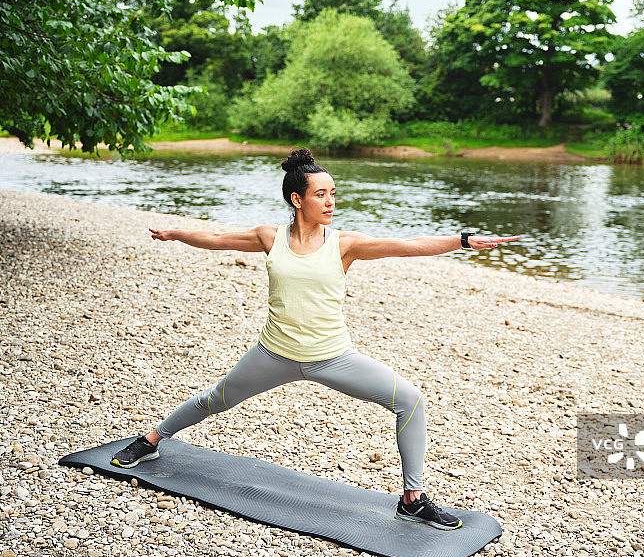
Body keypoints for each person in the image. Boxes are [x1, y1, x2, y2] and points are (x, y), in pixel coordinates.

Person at [111, 148, 520, 531]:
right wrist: (176, 234)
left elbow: (409, 246)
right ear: (296, 199)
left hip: (332, 358)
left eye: (333, 194)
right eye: (320, 194)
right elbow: (217, 240)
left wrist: (463, 241)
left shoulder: (344, 244)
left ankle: (412, 498)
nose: (330, 202)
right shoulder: (270, 238)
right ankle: (150, 440)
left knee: (410, 400)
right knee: (214, 400)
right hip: (274, 354)